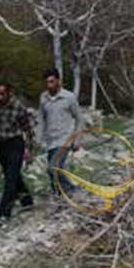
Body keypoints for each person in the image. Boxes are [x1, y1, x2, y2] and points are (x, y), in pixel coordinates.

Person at [0, 82, 34, 221]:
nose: (0, 97)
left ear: (9, 93)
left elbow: (28, 130)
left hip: (16, 143)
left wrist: (29, 149)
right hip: (1, 145)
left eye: (2, 94)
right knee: (12, 175)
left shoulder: (18, 107)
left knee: (10, 179)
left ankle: (4, 212)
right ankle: (27, 200)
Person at [38, 67, 82, 195]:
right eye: (47, 82)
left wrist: (77, 139)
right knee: (54, 172)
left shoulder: (69, 97)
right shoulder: (43, 98)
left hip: (65, 140)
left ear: (58, 81)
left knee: (53, 168)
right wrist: (38, 139)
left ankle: (72, 190)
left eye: (52, 82)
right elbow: (41, 120)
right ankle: (60, 196)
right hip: (50, 140)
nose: (49, 85)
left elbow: (79, 118)